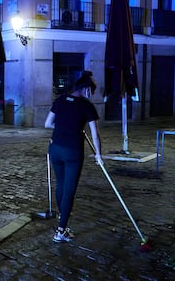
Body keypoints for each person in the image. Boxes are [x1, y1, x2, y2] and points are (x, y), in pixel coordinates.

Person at [45, 70, 103, 243]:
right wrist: (99, 154)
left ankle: (61, 220)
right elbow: (95, 134)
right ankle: (61, 231)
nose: (91, 95)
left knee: (61, 185)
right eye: (91, 92)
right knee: (69, 190)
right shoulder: (86, 106)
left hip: (55, 148)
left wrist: (64, 127)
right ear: (86, 90)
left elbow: (48, 123)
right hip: (72, 151)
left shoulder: (60, 100)